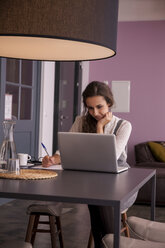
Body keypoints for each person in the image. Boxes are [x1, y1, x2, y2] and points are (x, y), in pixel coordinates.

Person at [42, 81, 132, 248]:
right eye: (90, 108)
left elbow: (108, 159)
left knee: (99, 198)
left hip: (120, 185)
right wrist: (53, 159)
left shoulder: (123, 126)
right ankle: (107, 244)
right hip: (93, 182)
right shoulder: (81, 121)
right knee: (97, 196)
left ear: (109, 103)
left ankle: (105, 244)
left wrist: (100, 127)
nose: (95, 113)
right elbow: (66, 150)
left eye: (99, 107)